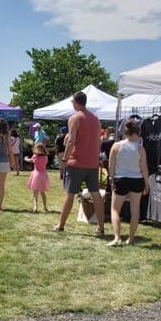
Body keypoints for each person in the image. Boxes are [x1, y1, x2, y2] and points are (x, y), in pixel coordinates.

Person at [52, 91, 104, 234]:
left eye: (72, 102)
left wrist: (64, 158)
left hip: (77, 163)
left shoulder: (74, 118)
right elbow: (98, 140)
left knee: (69, 194)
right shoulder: (96, 119)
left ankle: (60, 225)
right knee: (96, 194)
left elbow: (71, 141)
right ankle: (101, 228)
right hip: (93, 163)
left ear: (76, 102)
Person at [107, 120, 149, 246]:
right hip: (136, 179)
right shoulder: (140, 148)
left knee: (115, 210)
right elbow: (144, 168)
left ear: (125, 133)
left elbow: (111, 165)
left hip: (121, 179)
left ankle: (117, 238)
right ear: (138, 133)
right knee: (135, 210)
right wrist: (147, 184)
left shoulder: (116, 146)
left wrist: (112, 179)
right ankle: (130, 239)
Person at [26, 143, 51, 212]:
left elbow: (29, 160)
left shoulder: (35, 157)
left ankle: (35, 207)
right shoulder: (46, 157)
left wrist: (25, 158)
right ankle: (45, 207)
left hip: (36, 175)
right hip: (43, 175)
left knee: (35, 192)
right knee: (43, 192)